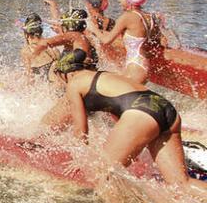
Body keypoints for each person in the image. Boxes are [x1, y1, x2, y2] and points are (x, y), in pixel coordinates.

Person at [53, 50, 206, 192]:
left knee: (102, 174)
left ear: (64, 73)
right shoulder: (103, 76)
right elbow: (119, 113)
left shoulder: (73, 83)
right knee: (180, 183)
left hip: (141, 114)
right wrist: (131, 147)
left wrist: (80, 158)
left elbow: (81, 131)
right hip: (166, 109)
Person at [86, 0, 162, 84]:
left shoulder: (127, 16)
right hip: (143, 65)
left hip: (135, 66)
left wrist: (93, 28)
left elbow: (106, 40)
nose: (119, 0)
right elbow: (156, 42)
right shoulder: (150, 17)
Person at [18, 13, 59, 82]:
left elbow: (29, 77)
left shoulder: (26, 51)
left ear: (27, 33)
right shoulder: (52, 48)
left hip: (40, 84)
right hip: (53, 81)